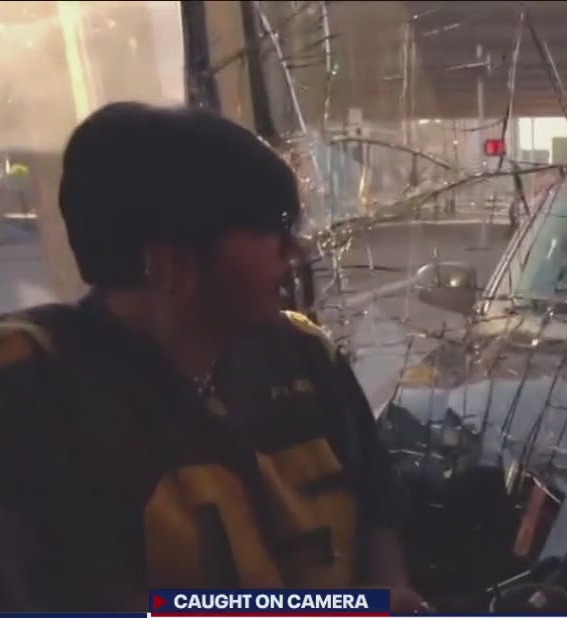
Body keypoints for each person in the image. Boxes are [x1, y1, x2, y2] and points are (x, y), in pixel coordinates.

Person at [0, 102, 427, 612]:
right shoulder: (32, 389)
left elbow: (377, 515)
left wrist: (390, 594)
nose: (298, 250)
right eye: (276, 227)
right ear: (173, 265)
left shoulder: (304, 355)